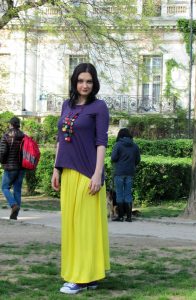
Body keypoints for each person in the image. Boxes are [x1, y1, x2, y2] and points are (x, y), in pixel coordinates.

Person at [51, 63, 110, 295]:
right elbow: (60, 138)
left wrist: (97, 173)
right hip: (67, 172)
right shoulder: (66, 105)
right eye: (81, 81)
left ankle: (80, 277)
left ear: (94, 84)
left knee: (85, 228)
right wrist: (56, 169)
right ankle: (88, 275)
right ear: (74, 82)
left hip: (88, 175)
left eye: (89, 81)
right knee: (71, 227)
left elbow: (101, 142)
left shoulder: (99, 107)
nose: (84, 85)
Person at [111, 128, 140, 222]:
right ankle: (129, 217)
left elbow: (113, 158)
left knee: (119, 194)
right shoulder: (135, 146)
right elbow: (138, 160)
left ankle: (120, 217)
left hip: (119, 172)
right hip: (130, 172)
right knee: (128, 194)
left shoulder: (118, 144)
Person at [0, 117, 25, 220]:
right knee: (17, 190)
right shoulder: (24, 136)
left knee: (4, 187)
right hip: (21, 168)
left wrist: (2, 162)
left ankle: (13, 205)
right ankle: (15, 214)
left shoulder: (6, 136)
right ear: (18, 125)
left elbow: (2, 152)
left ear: (10, 124)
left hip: (10, 168)